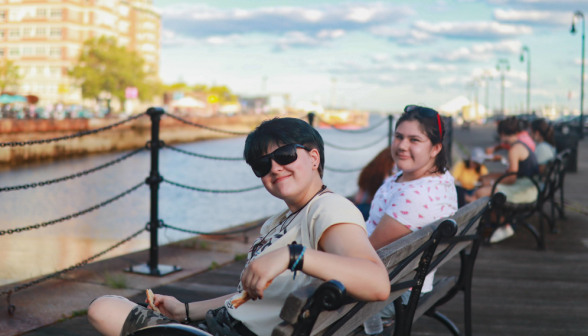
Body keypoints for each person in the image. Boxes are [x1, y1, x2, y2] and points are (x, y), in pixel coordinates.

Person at [87, 118, 390, 336]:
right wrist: (185, 310)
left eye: (284, 155)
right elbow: (248, 299)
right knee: (109, 307)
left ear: (314, 158)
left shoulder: (328, 208)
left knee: (104, 308)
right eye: (262, 165)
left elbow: (376, 283)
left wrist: (292, 255)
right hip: (226, 324)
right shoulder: (283, 220)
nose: (274, 168)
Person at [366, 105, 458, 319]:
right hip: (400, 280)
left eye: (414, 140)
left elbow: (367, 253)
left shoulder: (415, 197)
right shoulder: (438, 177)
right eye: (399, 136)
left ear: (435, 148)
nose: (402, 145)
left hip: (392, 292)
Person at [468, 117, 539, 242]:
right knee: (484, 187)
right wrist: (489, 177)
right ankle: (496, 224)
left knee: (480, 193)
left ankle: (501, 225)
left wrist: (490, 182)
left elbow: (511, 178)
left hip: (524, 191)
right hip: (528, 186)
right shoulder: (520, 145)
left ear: (502, 134)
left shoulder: (514, 150)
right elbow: (512, 175)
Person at [354, 146, 395, 220]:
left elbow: (358, 199)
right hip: (372, 211)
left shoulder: (369, 170)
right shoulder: (390, 177)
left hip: (360, 209)